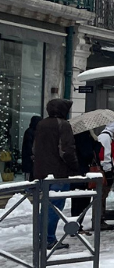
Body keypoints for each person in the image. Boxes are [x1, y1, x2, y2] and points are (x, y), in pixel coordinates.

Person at [33, 99, 78, 250]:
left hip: (41, 172)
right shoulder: (63, 125)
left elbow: (35, 148)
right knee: (55, 207)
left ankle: (41, 237)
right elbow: (66, 150)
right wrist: (75, 166)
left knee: (44, 207)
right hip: (58, 172)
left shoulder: (41, 124)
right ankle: (49, 239)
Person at [21, 115, 40, 180]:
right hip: (30, 157)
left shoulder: (30, 131)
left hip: (30, 157)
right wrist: (32, 154)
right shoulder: (31, 132)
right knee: (30, 174)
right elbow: (28, 144)